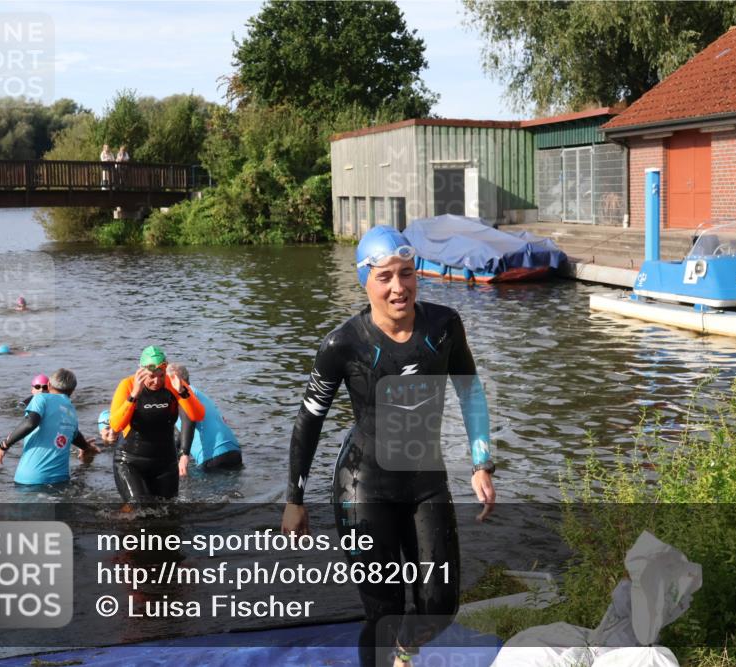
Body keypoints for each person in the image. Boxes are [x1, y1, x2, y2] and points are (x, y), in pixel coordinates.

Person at [281, 226, 496, 667]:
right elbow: (310, 418)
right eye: (385, 277)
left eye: (407, 273)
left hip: (425, 480)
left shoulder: (444, 326)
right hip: (363, 484)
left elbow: (470, 391)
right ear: (366, 280)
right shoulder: (343, 343)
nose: (399, 288)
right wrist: (294, 499)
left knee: (439, 607)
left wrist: (481, 462)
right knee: (384, 611)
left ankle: (403, 653)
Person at [108, 346, 204, 504]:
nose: (157, 381)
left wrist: (182, 392)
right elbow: (116, 425)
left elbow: (198, 415)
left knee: (169, 513)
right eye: (151, 376)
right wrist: (134, 396)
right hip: (130, 461)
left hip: (165, 462)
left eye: (161, 375)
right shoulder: (127, 385)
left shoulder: (173, 383)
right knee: (139, 506)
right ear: (141, 371)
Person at [0, 368, 99, 484]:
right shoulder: (71, 410)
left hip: (30, 480)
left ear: (48, 385)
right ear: (72, 391)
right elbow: (75, 435)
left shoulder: (40, 398)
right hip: (60, 480)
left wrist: (4, 445)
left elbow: (30, 423)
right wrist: (87, 448)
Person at [166, 363, 243, 475]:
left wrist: (183, 456)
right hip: (234, 452)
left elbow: (188, 422)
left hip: (212, 459)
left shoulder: (182, 395)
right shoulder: (200, 395)